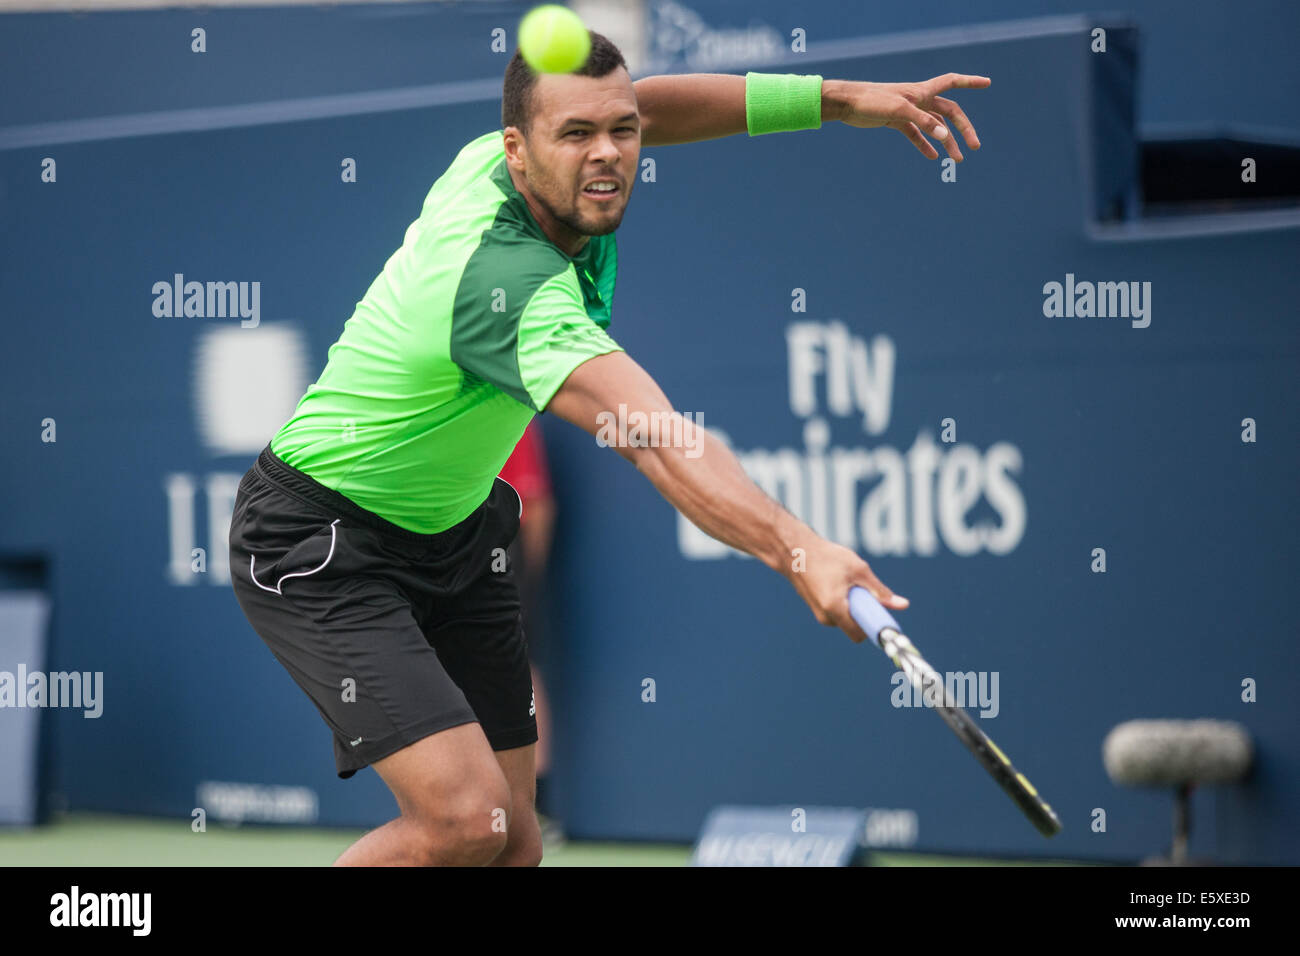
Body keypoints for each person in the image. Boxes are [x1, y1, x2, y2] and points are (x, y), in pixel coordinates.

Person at [227, 29, 988, 867]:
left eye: (619, 132)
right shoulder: (505, 287)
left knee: (515, 844)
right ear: (518, 151)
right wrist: (799, 549)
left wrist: (841, 101)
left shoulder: (515, 156)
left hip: (453, 533)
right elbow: (658, 440)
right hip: (325, 539)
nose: (609, 154)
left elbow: (655, 104)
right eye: (577, 135)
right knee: (463, 823)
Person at [496, 420, 562, 842]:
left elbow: (535, 504)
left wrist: (523, 576)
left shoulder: (508, 411)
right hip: (436, 550)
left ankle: (536, 810)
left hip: (501, 554)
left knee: (519, 672)